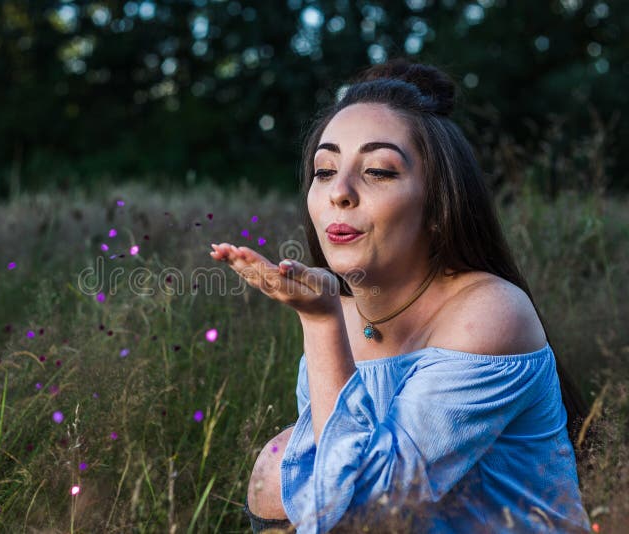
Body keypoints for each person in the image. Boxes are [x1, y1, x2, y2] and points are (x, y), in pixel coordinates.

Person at [209, 58, 592, 533]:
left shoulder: (489, 313)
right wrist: (329, 320)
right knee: (279, 465)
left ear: (438, 204)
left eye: (378, 172)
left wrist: (320, 322)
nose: (340, 193)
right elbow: (326, 493)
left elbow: (368, 508)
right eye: (325, 170)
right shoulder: (343, 314)